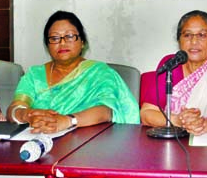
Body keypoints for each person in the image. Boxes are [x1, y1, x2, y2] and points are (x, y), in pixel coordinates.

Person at [7, 11, 139, 133]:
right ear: (48, 45)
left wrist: (67, 121)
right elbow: (15, 108)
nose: (62, 43)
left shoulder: (99, 72)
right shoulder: (35, 75)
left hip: (88, 143)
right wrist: (27, 115)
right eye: (54, 38)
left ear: (82, 42)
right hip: (40, 140)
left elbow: (106, 111)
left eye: (69, 36)